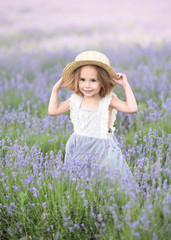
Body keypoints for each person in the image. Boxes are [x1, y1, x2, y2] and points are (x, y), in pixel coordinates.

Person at [48, 50, 139, 193]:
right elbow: (53, 111)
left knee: (107, 182)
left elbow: (131, 108)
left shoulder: (108, 100)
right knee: (80, 182)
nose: (87, 85)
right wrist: (55, 90)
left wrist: (125, 85)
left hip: (103, 149)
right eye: (82, 80)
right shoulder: (75, 100)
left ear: (102, 81)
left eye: (93, 80)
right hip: (79, 146)